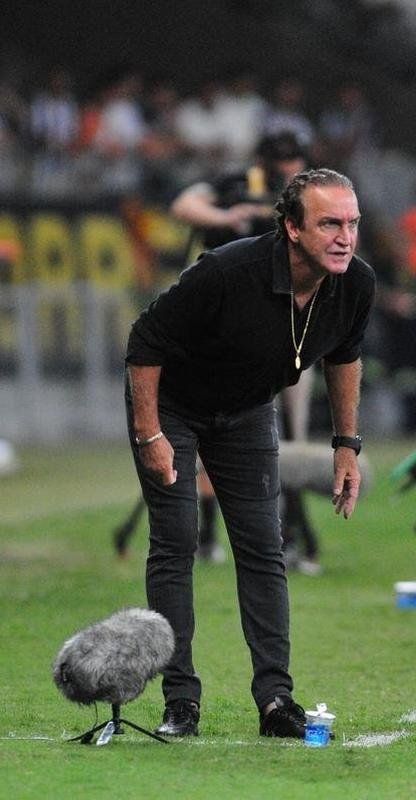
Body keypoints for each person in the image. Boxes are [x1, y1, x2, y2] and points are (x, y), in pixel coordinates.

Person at [124, 168, 374, 738]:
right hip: (173, 407)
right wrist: (149, 434)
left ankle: (276, 701)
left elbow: (345, 357)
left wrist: (345, 445)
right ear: (292, 228)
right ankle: (180, 701)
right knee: (176, 541)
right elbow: (144, 342)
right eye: (329, 224)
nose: (345, 238)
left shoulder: (356, 283)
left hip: (247, 411)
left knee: (264, 546)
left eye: (352, 224)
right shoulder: (227, 271)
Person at [171, 132, 322, 573]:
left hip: (288, 326)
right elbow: (185, 205)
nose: (288, 170)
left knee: (292, 436)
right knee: (214, 428)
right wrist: (230, 214)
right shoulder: (239, 184)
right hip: (227, 330)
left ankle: (292, 534)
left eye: (294, 162)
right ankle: (207, 534)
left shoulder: (310, 195)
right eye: (281, 162)